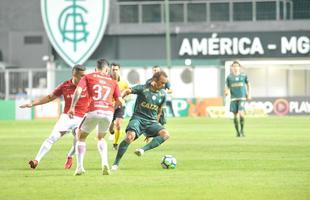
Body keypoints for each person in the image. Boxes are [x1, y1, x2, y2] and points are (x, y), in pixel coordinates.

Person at [20, 64, 89, 169]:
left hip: (82, 117)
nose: (84, 78)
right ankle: (36, 160)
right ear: (74, 75)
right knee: (53, 137)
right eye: (81, 76)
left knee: (78, 137)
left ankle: (70, 156)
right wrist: (32, 104)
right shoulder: (65, 85)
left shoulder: (88, 85)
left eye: (85, 75)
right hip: (67, 117)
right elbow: (49, 97)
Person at [68, 59, 124, 176]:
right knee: (100, 138)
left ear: (96, 68)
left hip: (93, 110)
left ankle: (79, 167)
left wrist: (72, 106)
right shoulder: (113, 81)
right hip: (108, 113)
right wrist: (111, 110)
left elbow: (78, 90)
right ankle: (105, 163)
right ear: (107, 69)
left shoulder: (88, 77)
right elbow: (120, 101)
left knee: (80, 136)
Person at [111, 70, 170, 171]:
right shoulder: (143, 88)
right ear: (155, 80)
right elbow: (128, 90)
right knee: (129, 137)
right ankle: (115, 164)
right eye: (162, 83)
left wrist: (154, 128)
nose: (164, 85)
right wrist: (120, 98)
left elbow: (159, 111)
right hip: (138, 119)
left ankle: (142, 150)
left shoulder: (163, 94)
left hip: (152, 122)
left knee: (165, 134)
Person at [224, 60, 251, 137]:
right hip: (233, 98)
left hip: (242, 97)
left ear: (239, 67)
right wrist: (226, 91)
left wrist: (249, 94)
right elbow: (226, 86)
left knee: (241, 113)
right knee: (235, 116)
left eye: (237, 66)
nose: (235, 68)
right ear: (232, 68)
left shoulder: (243, 76)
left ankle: (242, 130)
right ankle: (237, 132)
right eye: (234, 66)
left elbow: (248, 84)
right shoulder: (229, 77)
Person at [109, 63, 129, 150]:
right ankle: (111, 130)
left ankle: (115, 144)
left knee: (118, 125)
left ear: (119, 70)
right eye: (113, 70)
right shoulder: (107, 81)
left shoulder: (124, 83)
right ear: (110, 70)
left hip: (120, 106)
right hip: (109, 106)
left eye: (116, 69)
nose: (115, 71)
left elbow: (128, 93)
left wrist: (123, 99)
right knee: (110, 129)